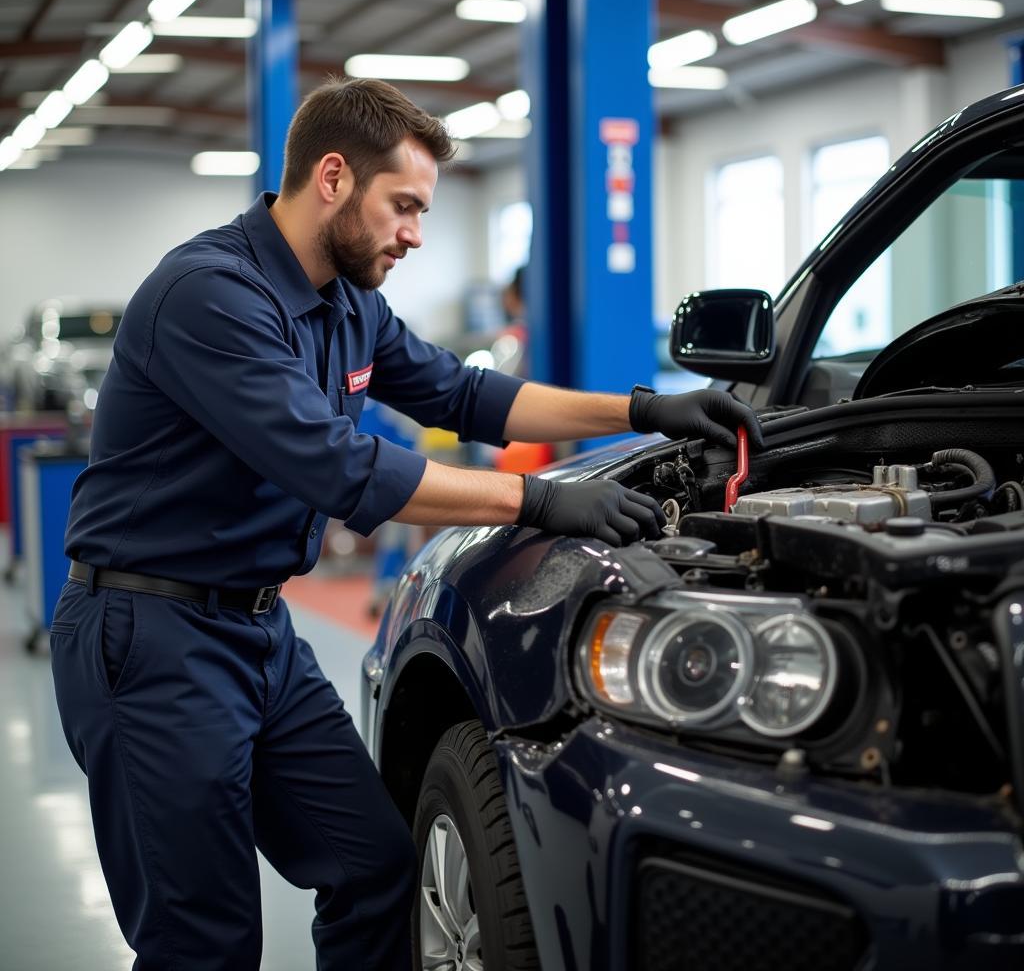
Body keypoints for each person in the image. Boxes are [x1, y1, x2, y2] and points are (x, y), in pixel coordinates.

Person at [49, 77, 762, 971]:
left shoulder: (349, 302)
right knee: (204, 939)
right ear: (335, 178)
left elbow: (469, 394)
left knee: (377, 864)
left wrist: (644, 408)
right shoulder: (209, 294)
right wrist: (537, 500)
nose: (417, 234)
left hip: (260, 630)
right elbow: (337, 468)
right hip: (150, 637)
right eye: (406, 207)